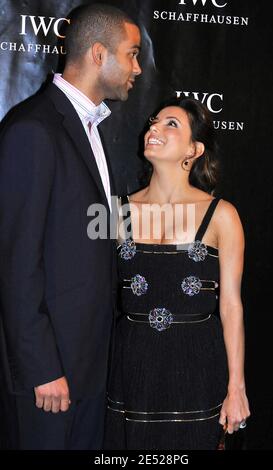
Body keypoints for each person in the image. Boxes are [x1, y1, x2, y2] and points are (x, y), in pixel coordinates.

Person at [0, 3, 141, 450]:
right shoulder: (34, 131)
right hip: (49, 379)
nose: (138, 67)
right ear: (99, 54)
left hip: (87, 370)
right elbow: (15, 263)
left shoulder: (89, 128)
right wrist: (42, 367)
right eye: (132, 54)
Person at [104, 97, 250, 450]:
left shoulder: (222, 215)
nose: (154, 127)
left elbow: (231, 307)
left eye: (171, 124)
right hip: (132, 369)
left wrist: (236, 388)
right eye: (154, 121)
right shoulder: (112, 212)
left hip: (198, 368)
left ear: (194, 149)